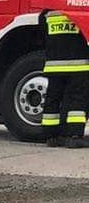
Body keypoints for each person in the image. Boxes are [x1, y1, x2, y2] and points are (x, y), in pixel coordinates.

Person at [40, 8, 89, 149]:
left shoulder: (46, 14)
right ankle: (74, 136)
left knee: (53, 99)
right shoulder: (79, 10)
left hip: (54, 66)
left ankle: (51, 136)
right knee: (77, 101)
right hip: (78, 66)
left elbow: (43, 35)